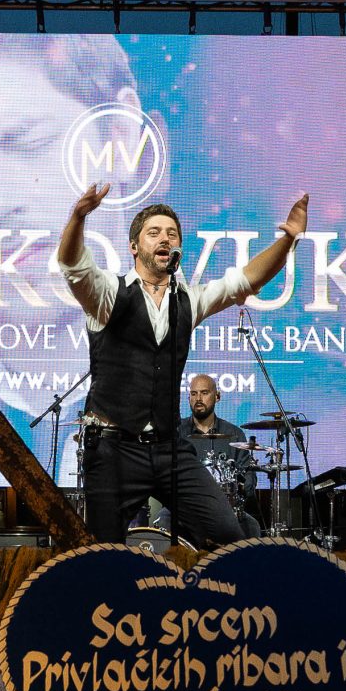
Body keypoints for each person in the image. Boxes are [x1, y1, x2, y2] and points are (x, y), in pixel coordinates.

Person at [58, 183, 307, 546]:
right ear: (134, 246)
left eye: (171, 234)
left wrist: (287, 240)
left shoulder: (188, 299)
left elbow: (247, 280)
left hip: (168, 448)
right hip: (114, 449)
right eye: (154, 232)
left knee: (228, 533)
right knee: (104, 552)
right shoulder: (109, 293)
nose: (164, 238)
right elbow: (72, 264)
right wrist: (78, 217)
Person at [184, 374, 247, 444]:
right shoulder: (177, 431)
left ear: (217, 396)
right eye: (193, 394)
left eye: (204, 393)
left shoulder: (235, 434)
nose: (198, 398)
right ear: (189, 398)